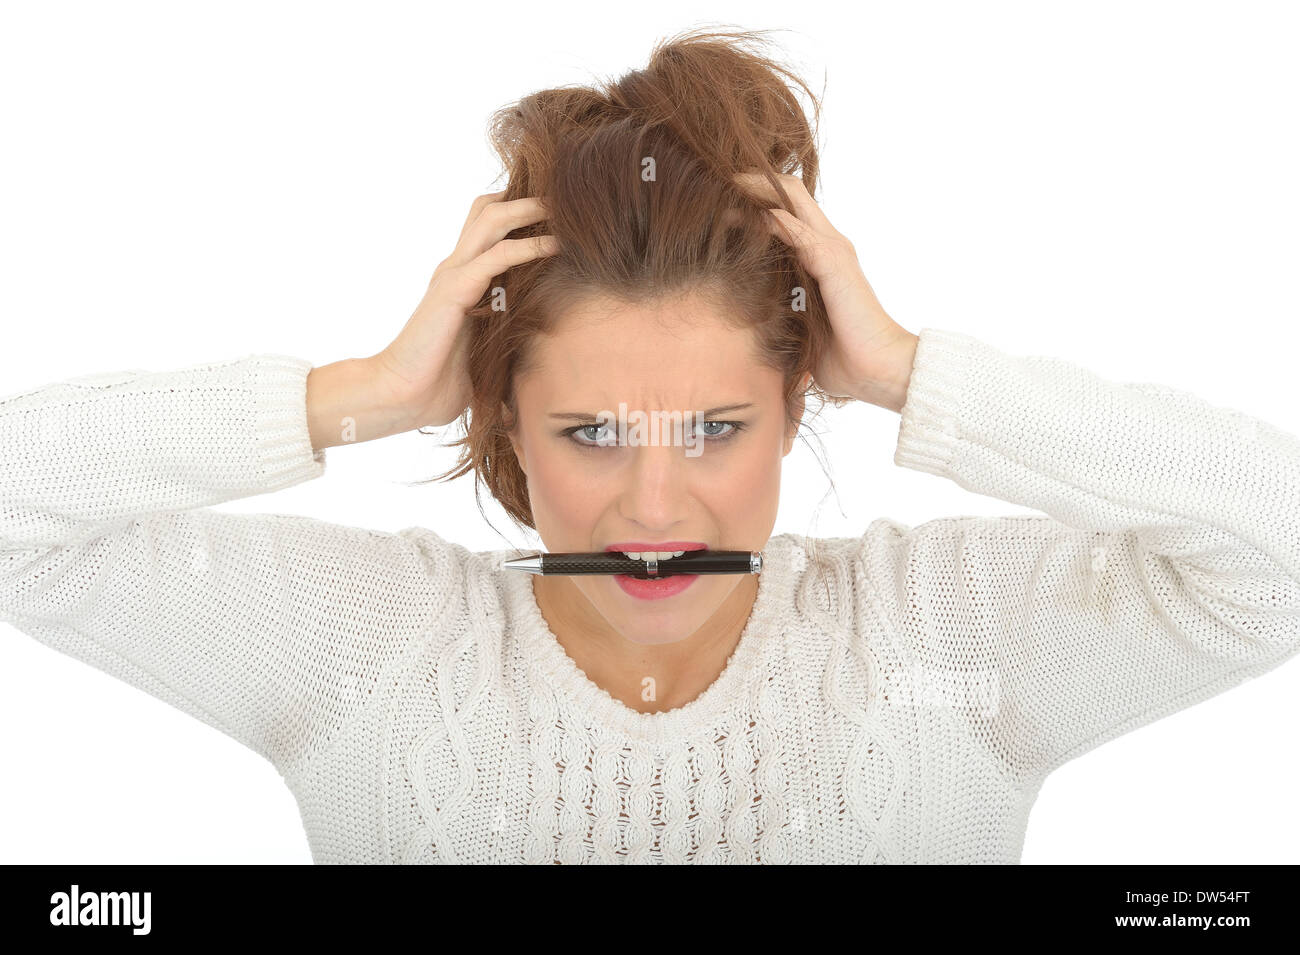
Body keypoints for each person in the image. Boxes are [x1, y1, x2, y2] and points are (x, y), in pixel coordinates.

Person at [2, 28, 1298, 864]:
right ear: (502, 411)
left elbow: (1278, 550)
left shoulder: (945, 641)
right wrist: (370, 394)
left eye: (720, 428)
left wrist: (912, 374)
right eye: (593, 432)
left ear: (799, 402)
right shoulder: (366, 646)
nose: (656, 499)